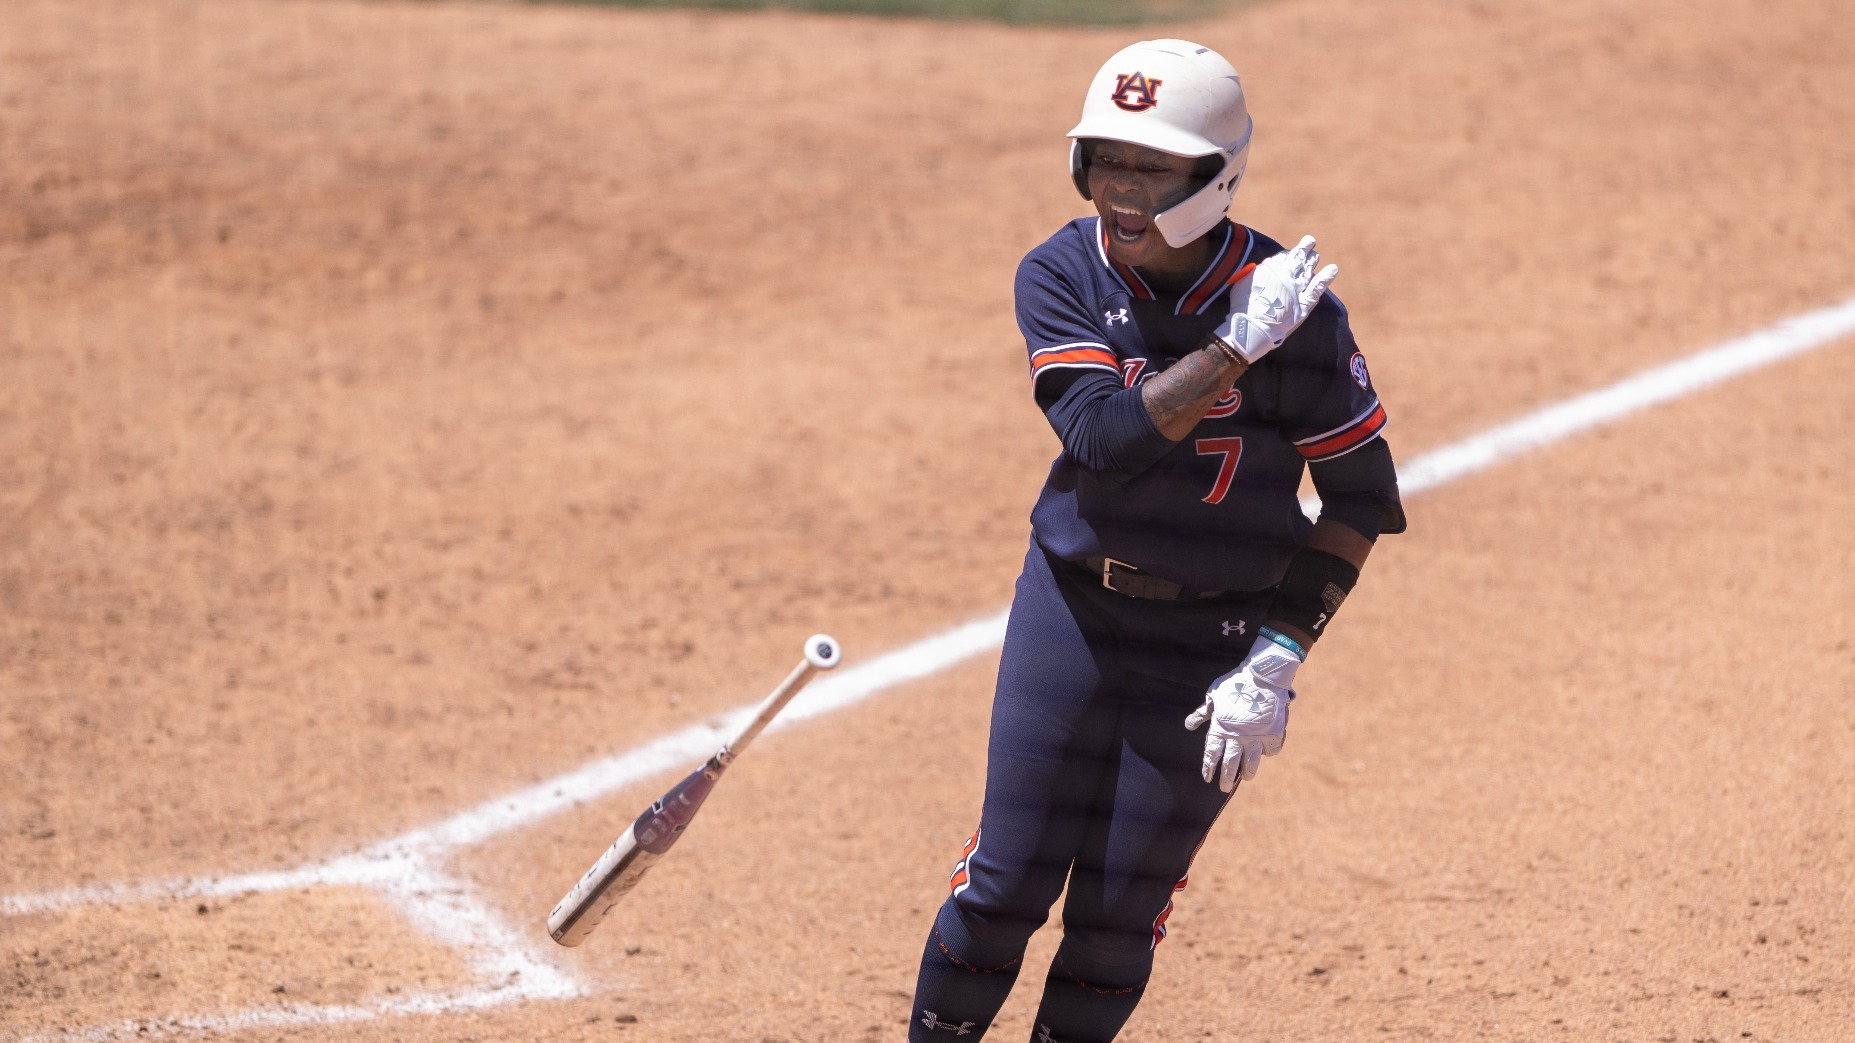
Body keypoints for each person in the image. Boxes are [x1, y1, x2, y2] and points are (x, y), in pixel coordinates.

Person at [906, 39, 1406, 1043]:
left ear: (1215, 177)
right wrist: (1232, 349)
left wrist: (1278, 653)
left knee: (1116, 915)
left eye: (1150, 166)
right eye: (1105, 159)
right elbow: (1101, 438)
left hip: (1211, 638)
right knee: (1004, 885)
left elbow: (1358, 497)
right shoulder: (1061, 270)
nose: (1120, 190)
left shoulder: (1295, 312)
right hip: (1073, 608)